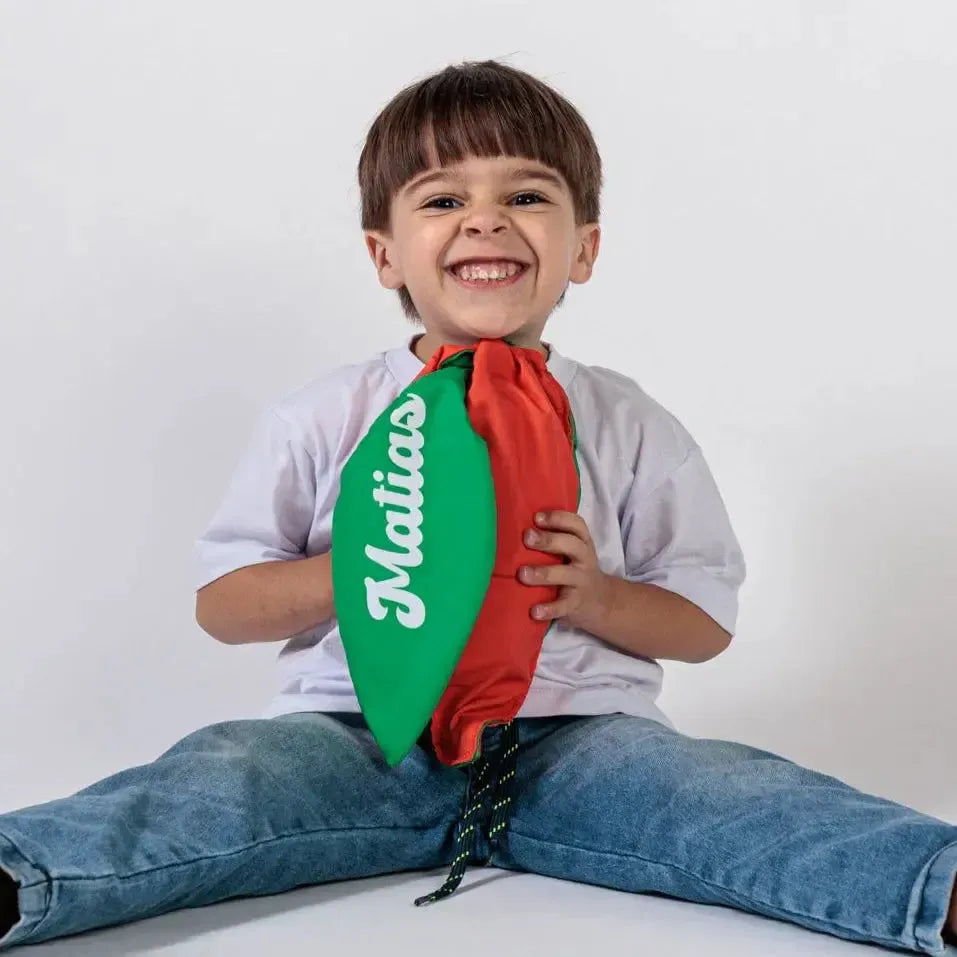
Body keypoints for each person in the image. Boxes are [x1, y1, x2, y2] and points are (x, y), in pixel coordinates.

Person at [1, 58, 955, 953]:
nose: (486, 221)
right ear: (385, 254)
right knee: (222, 775)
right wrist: (356, 567)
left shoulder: (625, 421)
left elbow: (702, 623)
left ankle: (932, 882)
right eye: (444, 199)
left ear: (582, 249)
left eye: (526, 196)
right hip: (356, 738)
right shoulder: (325, 415)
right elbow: (223, 606)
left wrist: (593, 596)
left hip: (577, 745)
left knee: (730, 794)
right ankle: (26, 871)